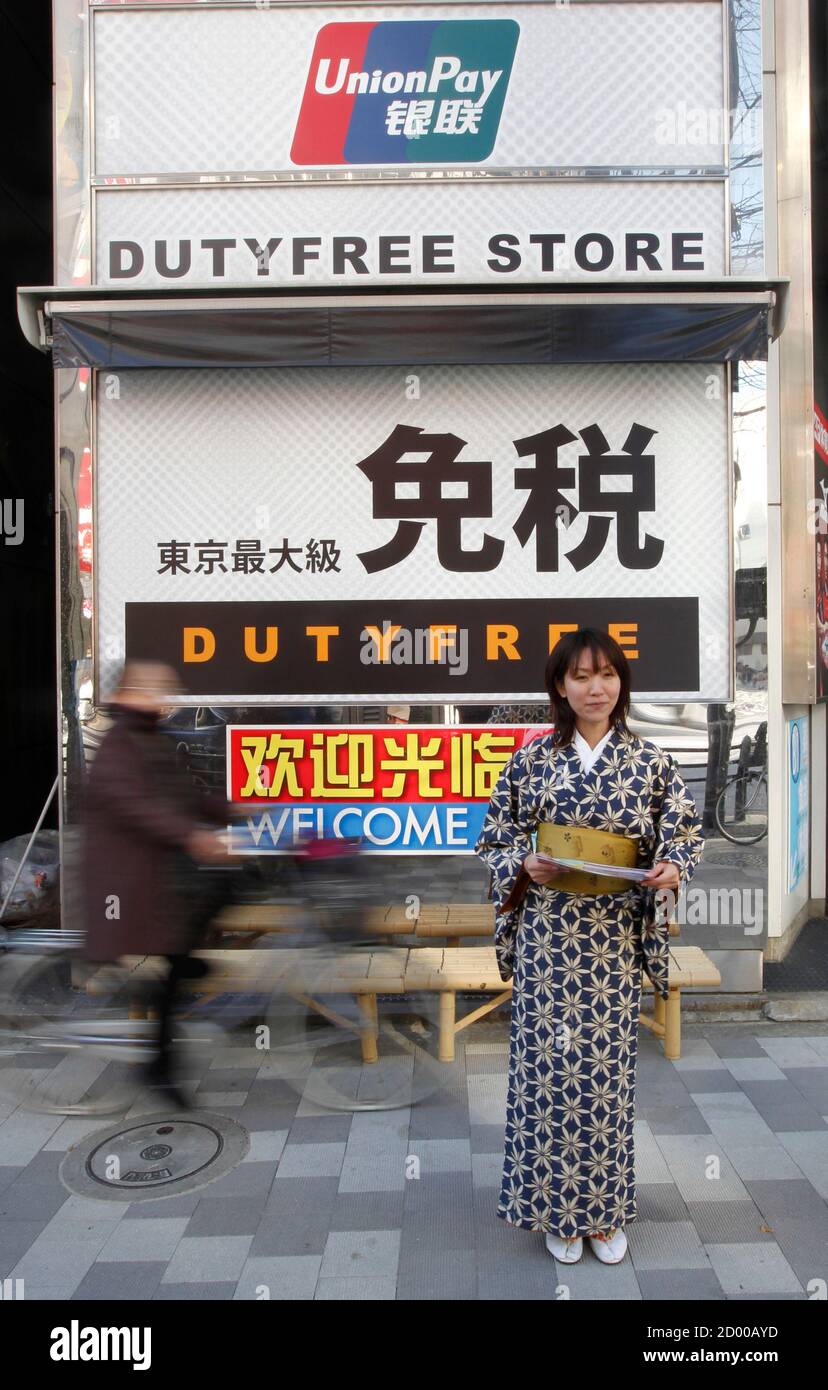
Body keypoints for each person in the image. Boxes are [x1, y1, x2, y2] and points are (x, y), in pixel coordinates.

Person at [474, 628, 703, 1266]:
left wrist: (672, 868)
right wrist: (523, 864)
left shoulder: (651, 762)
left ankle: (602, 1215)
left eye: (606, 674)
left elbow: (683, 834)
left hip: (610, 946)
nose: (595, 687)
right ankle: (554, 1210)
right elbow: (494, 838)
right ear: (559, 686)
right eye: (580, 676)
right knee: (547, 1078)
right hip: (550, 940)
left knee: (605, 1080)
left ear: (621, 683)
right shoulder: (531, 759)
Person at [81, 660, 229, 1107]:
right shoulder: (120, 744)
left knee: (227, 885)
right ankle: (158, 1066)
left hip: (157, 871)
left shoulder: (149, 738)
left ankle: (180, 962)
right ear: (129, 694)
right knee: (165, 973)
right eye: (156, 691)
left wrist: (230, 810)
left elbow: (182, 796)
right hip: (126, 883)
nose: (165, 700)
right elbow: (135, 806)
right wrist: (194, 836)